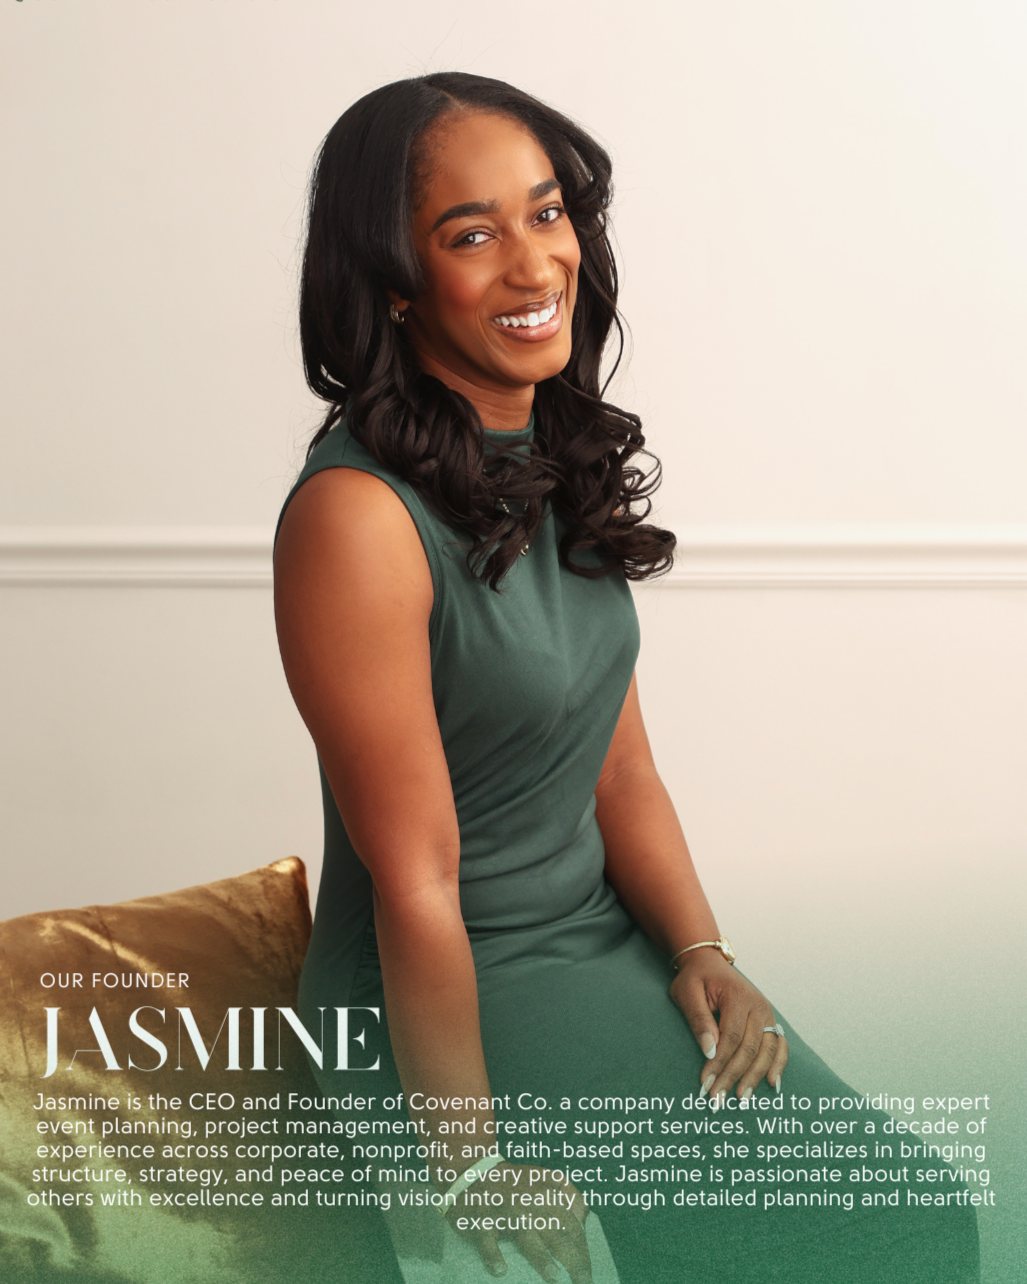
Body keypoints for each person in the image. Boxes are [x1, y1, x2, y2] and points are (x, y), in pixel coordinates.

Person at [273, 72, 980, 1284]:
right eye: (472, 233)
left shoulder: (553, 453)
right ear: (394, 283)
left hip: (599, 938)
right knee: (827, 1238)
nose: (534, 265)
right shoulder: (355, 519)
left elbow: (619, 766)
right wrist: (473, 1162)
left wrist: (702, 950)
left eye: (546, 215)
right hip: (453, 975)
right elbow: (417, 878)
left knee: (908, 1204)